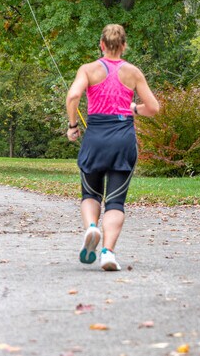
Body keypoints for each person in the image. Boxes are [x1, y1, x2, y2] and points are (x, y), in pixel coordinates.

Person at [66, 24, 159, 271]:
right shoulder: (133, 72)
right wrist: (134, 109)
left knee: (90, 195)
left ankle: (92, 228)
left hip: (95, 137)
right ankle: (107, 253)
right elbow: (154, 108)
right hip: (123, 139)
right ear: (124, 45)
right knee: (115, 202)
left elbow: (73, 96)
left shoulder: (88, 70)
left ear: (102, 44)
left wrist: (73, 125)